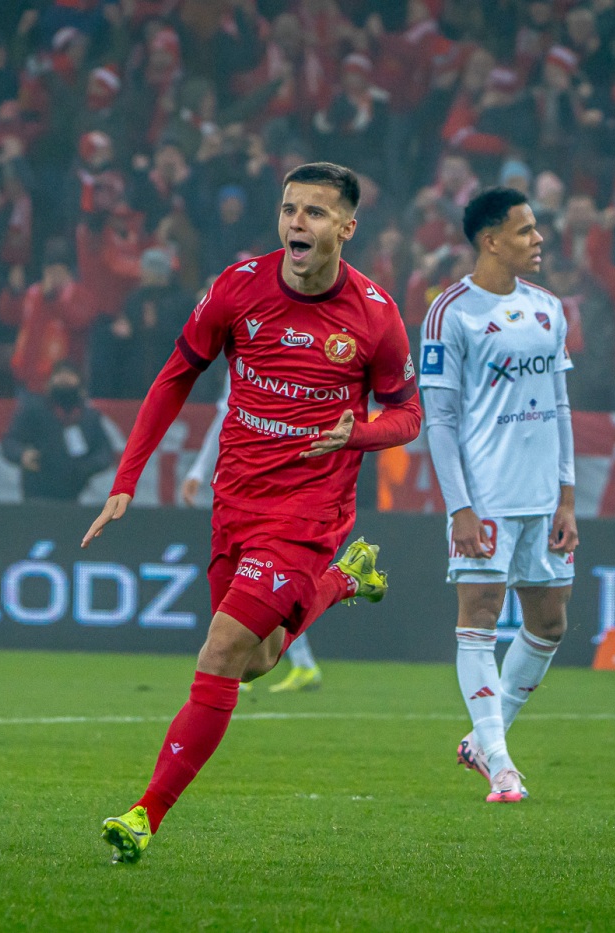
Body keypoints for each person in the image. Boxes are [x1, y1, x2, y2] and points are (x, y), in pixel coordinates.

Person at [83, 162, 421, 863]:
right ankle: (345, 581)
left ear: (346, 228)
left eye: (315, 213)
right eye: (290, 209)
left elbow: (409, 414)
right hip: (235, 498)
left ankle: (145, 814)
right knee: (254, 661)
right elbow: (176, 375)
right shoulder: (238, 287)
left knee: (219, 651)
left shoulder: (376, 315)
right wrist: (127, 476)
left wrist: (356, 433)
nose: (298, 222)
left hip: (309, 512)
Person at [419, 187, 578, 804]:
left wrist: (567, 497)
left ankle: (483, 739)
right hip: (485, 499)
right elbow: (440, 420)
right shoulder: (450, 313)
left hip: (544, 499)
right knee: (480, 618)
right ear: (490, 240)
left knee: (549, 623)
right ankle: (502, 763)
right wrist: (459, 506)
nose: (538, 240)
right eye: (525, 230)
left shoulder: (548, 308)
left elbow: (560, 406)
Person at [182, 375, 322, 694]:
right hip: (240, 486)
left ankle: (235, 661)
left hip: (276, 487)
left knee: (260, 582)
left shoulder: (294, 363)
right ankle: (294, 662)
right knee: (258, 583)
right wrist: (199, 470)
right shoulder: (242, 360)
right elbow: (226, 415)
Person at [0, 362, 114, 502]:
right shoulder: (34, 410)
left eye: (69, 376)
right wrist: (22, 454)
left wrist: (87, 467)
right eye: (59, 375)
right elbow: (10, 441)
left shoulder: (89, 416)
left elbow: (104, 452)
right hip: (37, 489)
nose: (64, 379)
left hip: (75, 493)